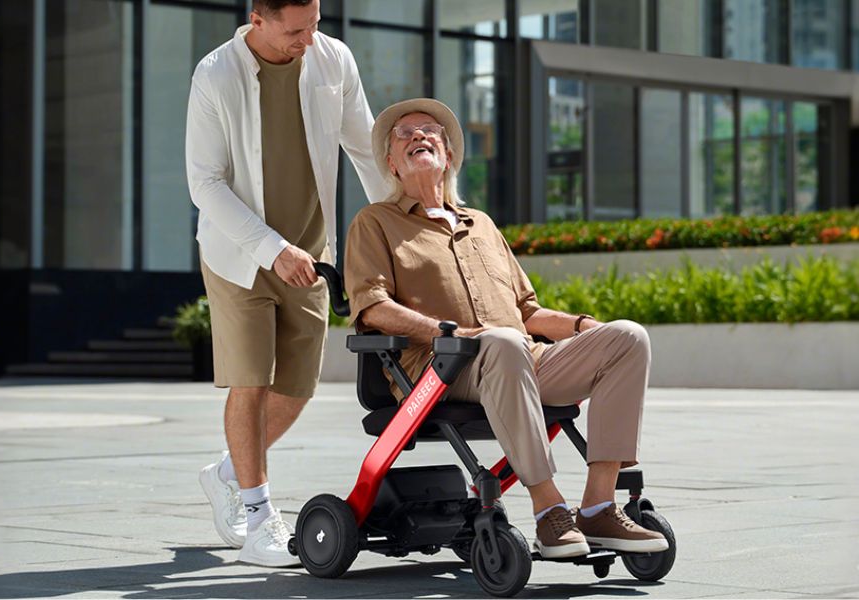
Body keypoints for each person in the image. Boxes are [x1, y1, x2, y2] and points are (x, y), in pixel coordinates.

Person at [343, 98, 669, 559]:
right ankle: (548, 511)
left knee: (627, 337)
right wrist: (446, 332)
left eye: (430, 129)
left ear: (449, 155)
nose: (418, 135)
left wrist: (581, 326)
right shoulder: (374, 223)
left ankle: (597, 506)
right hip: (443, 371)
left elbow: (527, 311)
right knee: (504, 341)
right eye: (404, 133)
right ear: (391, 164)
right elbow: (373, 307)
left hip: (519, 356)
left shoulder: (483, 225)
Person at [185, 0, 389, 567]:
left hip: (311, 254)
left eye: (315, 23)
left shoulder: (333, 60)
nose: (309, 38)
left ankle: (227, 471)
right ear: (258, 17)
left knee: (297, 387)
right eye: (295, 29)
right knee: (250, 381)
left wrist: (402, 231)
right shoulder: (215, 74)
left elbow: (366, 151)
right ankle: (257, 518)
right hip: (240, 256)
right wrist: (272, 250)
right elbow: (205, 183)